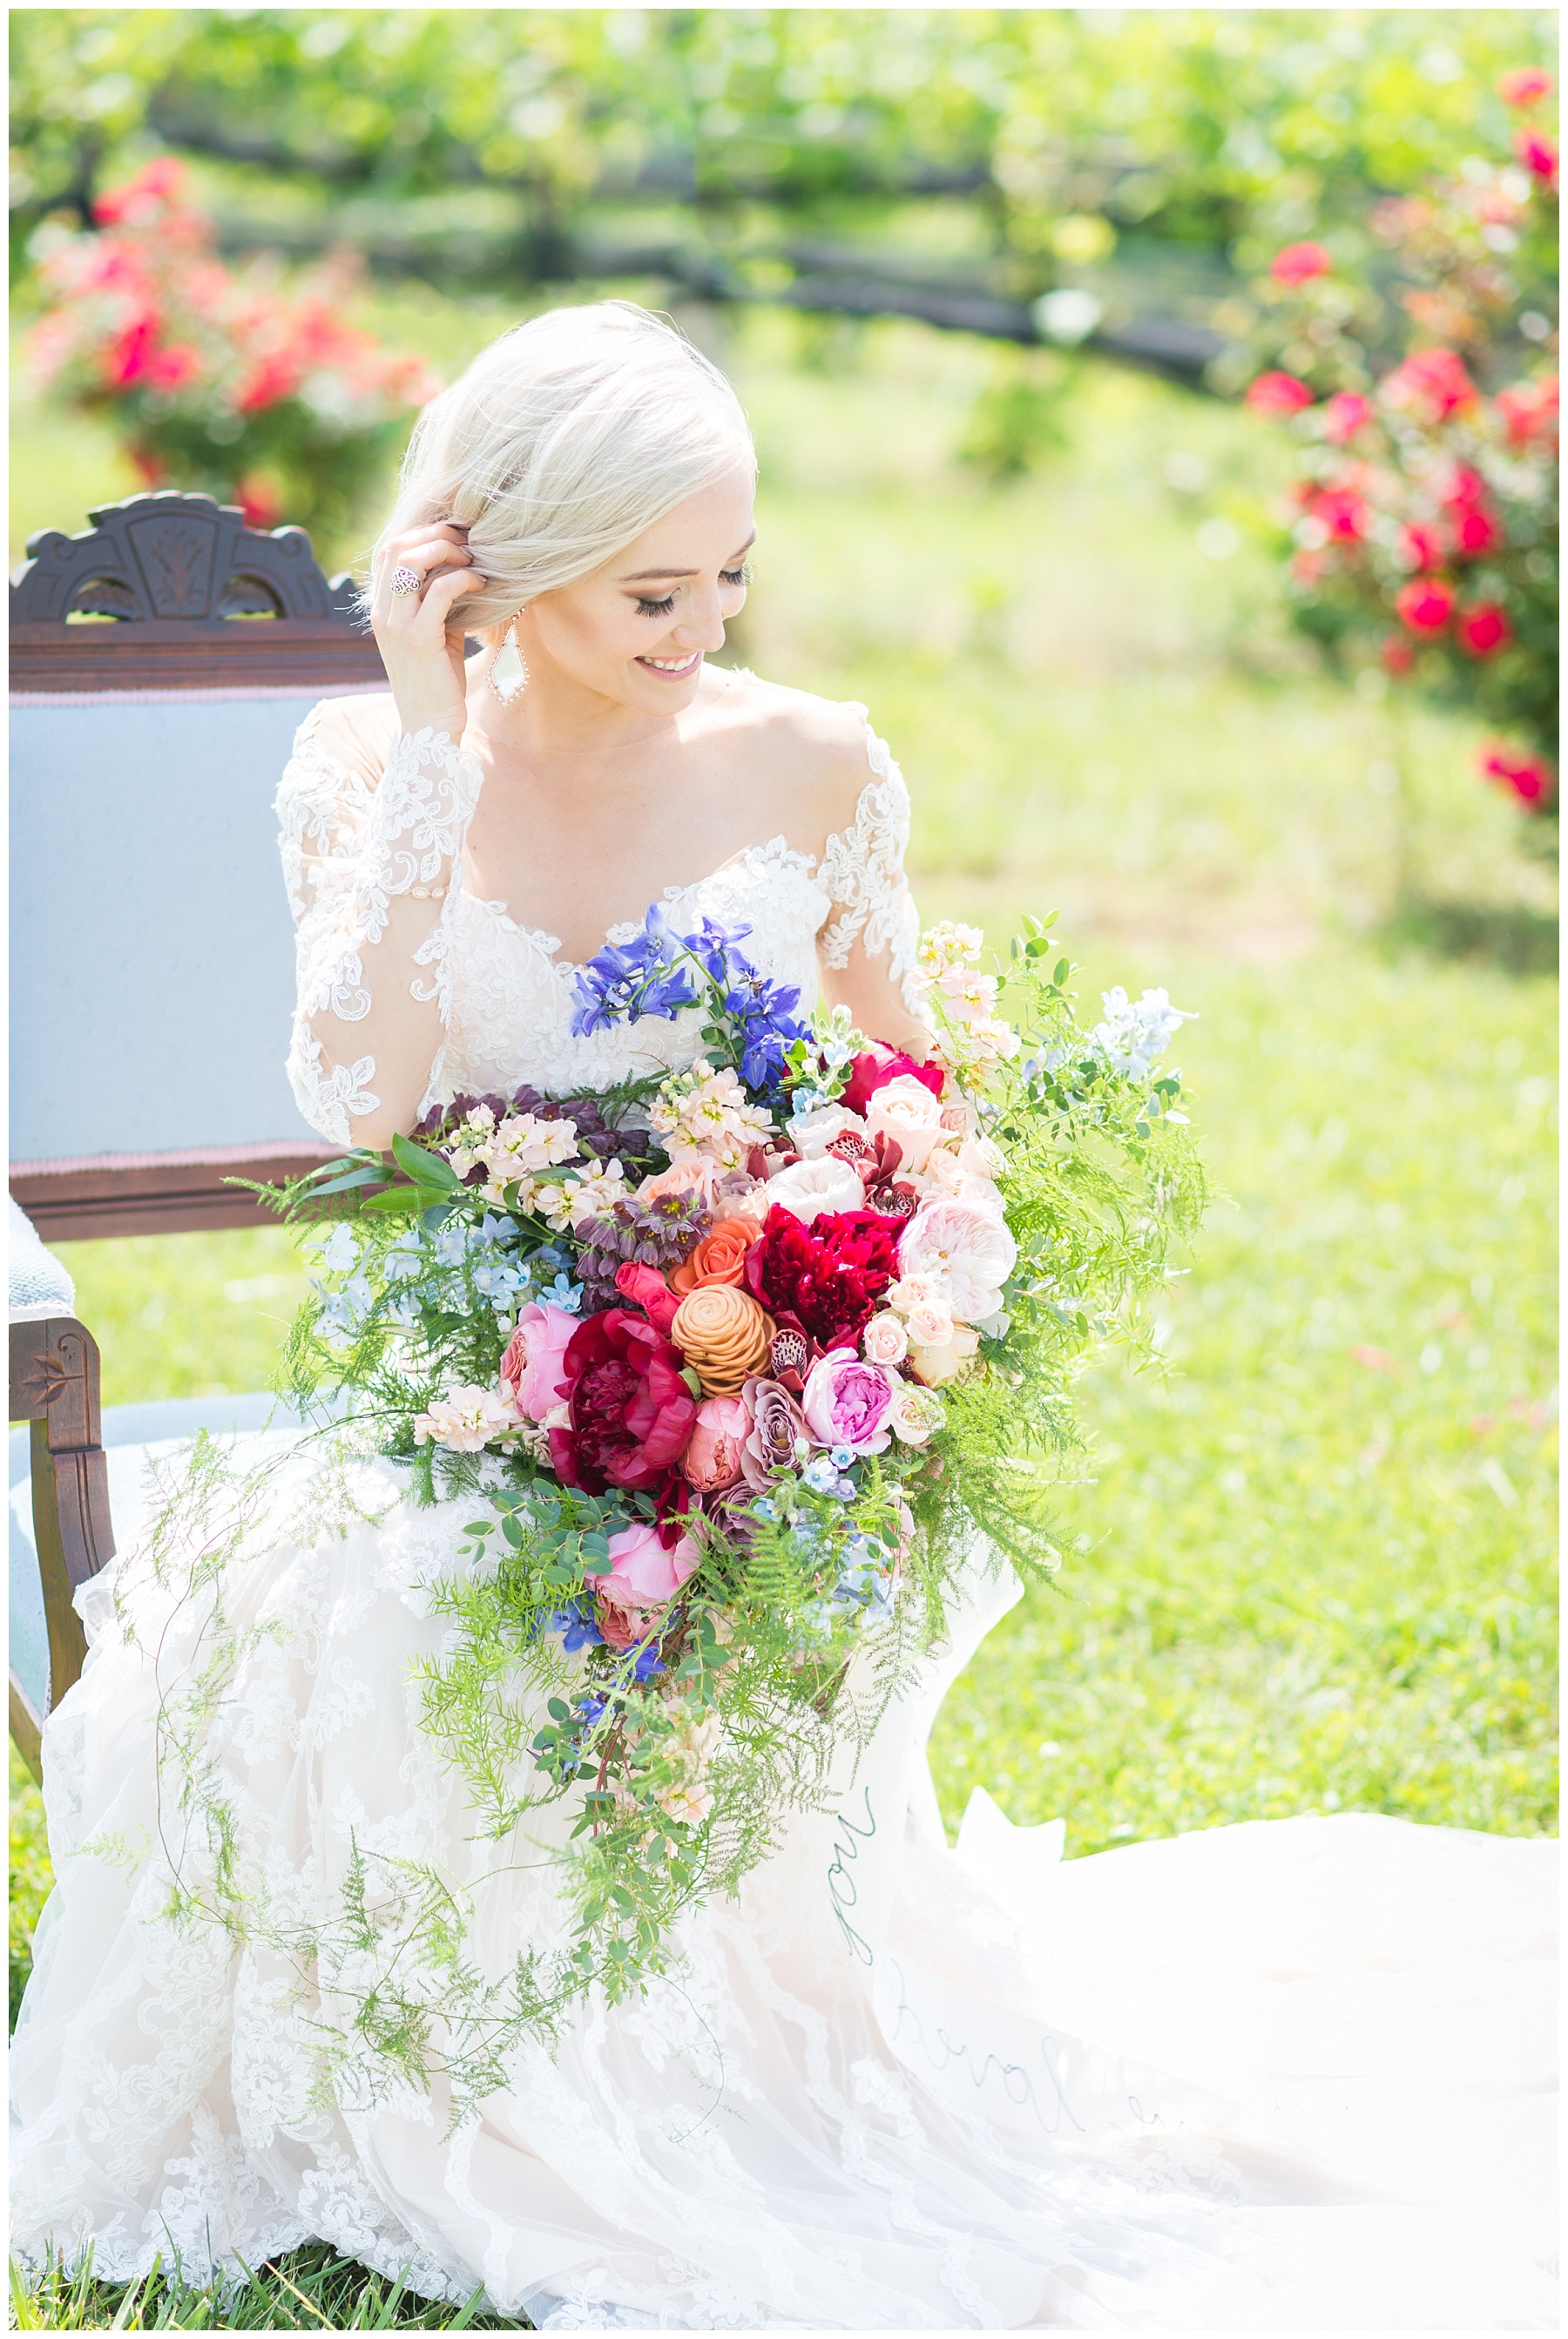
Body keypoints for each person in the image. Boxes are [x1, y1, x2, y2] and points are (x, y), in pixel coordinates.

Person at [11, 302, 1556, 2331]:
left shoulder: (813, 756)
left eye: (731, 575)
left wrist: (877, 1285)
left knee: (754, 1586)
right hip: (470, 1371)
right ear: (505, 563)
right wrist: (412, 713)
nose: (702, 623)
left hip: (752, 1366)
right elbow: (363, 1100)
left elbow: (914, 1086)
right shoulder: (367, 763)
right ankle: (484, 2074)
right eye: (654, 587)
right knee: (380, 1603)